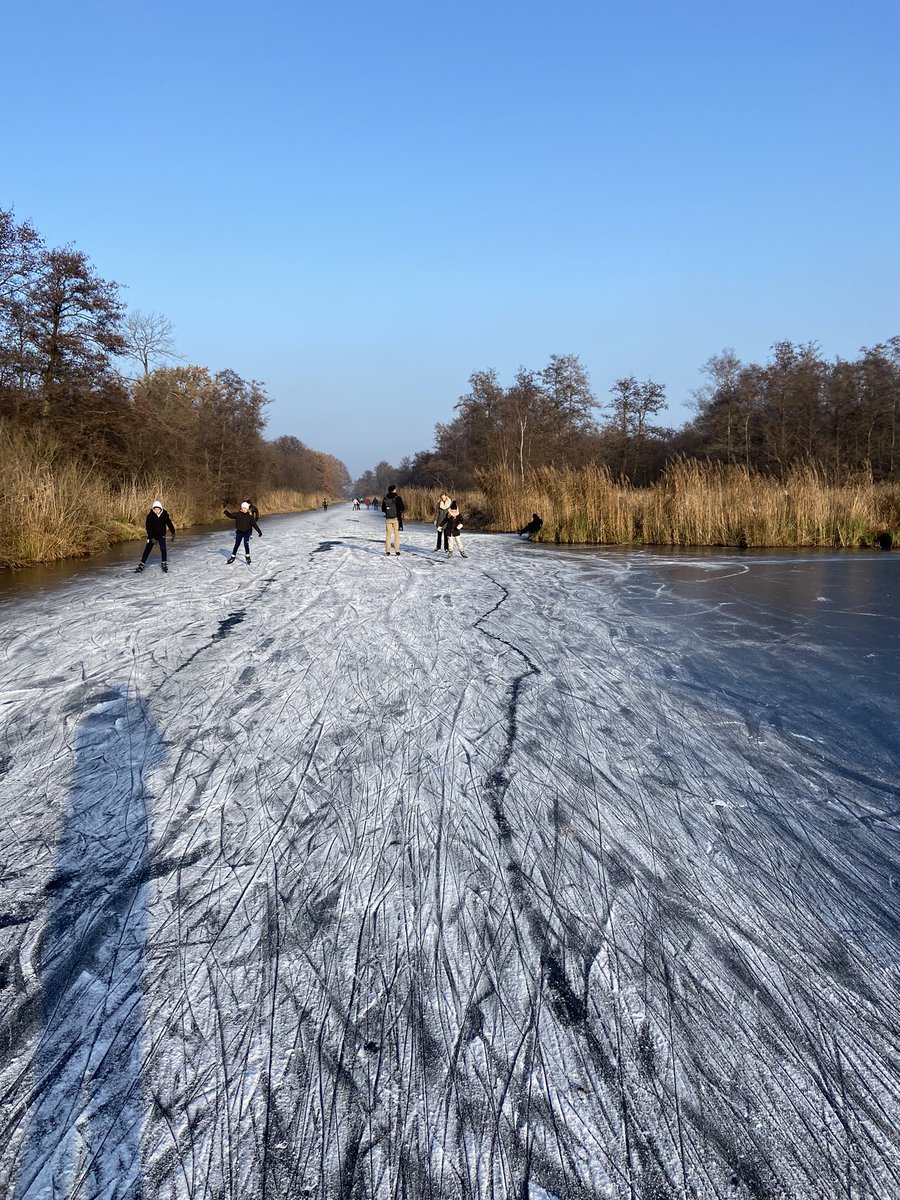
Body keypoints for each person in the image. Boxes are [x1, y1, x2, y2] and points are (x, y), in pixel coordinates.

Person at [135, 500, 175, 573]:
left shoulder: (164, 515)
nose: (156, 511)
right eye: (155, 509)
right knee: (147, 550)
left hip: (161, 535)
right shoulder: (150, 516)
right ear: (153, 509)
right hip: (152, 535)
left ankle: (164, 563)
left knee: (163, 549)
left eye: (158, 509)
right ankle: (142, 564)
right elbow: (148, 528)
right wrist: (152, 538)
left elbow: (169, 523)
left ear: (161, 509)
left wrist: (173, 532)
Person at [381, 485, 404, 556]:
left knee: (388, 535)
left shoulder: (385, 498)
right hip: (396, 519)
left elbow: (383, 509)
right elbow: (402, 508)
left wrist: (388, 512)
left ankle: (388, 550)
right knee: (396, 535)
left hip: (388, 519)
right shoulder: (398, 497)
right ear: (394, 490)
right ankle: (397, 550)